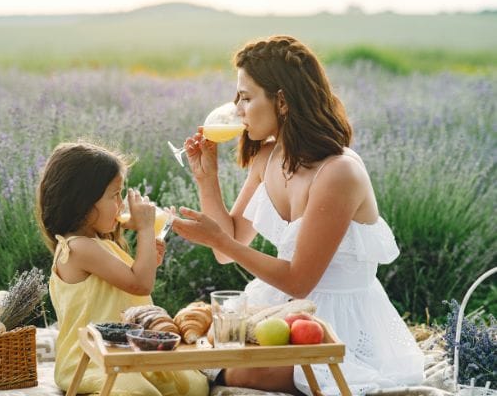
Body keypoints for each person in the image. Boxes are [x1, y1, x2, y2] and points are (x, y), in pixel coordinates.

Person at [171, 35, 424, 395]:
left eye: (246, 97)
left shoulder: (339, 172)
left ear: (283, 101)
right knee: (213, 342)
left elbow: (299, 280)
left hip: (333, 319)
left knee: (248, 373)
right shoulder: (267, 157)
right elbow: (227, 251)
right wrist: (206, 178)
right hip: (280, 307)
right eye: (236, 98)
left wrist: (217, 237)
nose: (237, 109)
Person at [36, 141, 209, 396]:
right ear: (82, 201)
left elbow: (130, 280)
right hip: (90, 359)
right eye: (114, 195)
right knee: (141, 393)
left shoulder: (101, 244)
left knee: (193, 385)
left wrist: (149, 255)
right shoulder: (78, 248)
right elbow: (140, 283)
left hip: (128, 351)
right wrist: (146, 229)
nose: (121, 204)